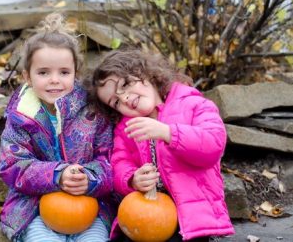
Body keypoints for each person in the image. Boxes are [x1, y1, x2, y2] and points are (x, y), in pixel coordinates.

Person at [88, 50, 235, 241]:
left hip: (190, 215)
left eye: (125, 84)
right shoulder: (126, 128)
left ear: (147, 74)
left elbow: (212, 145)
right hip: (147, 213)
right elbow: (118, 161)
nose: (124, 98)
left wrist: (168, 133)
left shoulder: (193, 104)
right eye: (115, 101)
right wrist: (132, 179)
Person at [0, 13, 115, 242]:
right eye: (43, 72)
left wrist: (89, 179)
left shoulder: (93, 111)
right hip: (35, 209)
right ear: (27, 77)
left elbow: (109, 160)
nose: (54, 80)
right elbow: (11, 165)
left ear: (76, 74)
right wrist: (56, 174)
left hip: (90, 206)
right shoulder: (22, 116)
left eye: (64, 72)